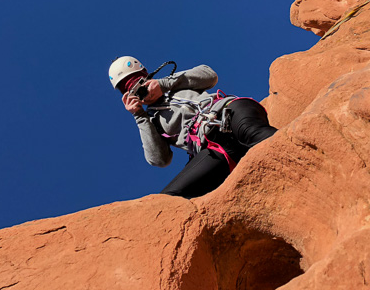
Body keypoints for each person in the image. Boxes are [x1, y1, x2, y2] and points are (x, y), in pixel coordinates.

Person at [109, 56, 278, 198]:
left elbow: (210, 75)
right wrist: (139, 116)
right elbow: (159, 160)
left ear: (146, 76)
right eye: (131, 91)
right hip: (212, 147)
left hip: (229, 112)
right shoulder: (152, 121)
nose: (139, 91)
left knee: (257, 136)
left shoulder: (174, 83)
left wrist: (164, 84)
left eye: (138, 83)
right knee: (170, 197)